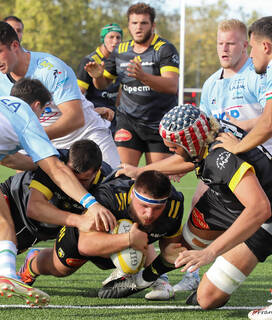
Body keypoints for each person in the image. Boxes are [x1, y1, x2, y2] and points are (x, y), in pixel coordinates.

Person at [0, 78, 116, 306]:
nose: (42, 117)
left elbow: (10, 159)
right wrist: (91, 204)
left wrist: (40, 163)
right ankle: (8, 277)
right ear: (37, 105)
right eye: (45, 110)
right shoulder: (26, 116)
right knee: (1, 222)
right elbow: (56, 168)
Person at [114, 104, 272, 309]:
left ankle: (221, 273)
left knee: (207, 299)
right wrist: (140, 170)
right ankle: (144, 279)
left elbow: (260, 208)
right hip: (227, 198)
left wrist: (211, 252)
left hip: (263, 217)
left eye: (174, 146)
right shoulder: (209, 134)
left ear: (190, 142)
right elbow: (191, 159)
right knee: (183, 246)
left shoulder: (219, 157)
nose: (170, 151)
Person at [173, 18, 268, 294]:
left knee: (255, 210)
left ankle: (232, 249)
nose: (224, 49)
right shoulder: (212, 83)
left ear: (245, 46)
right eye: (220, 43)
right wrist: (188, 159)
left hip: (259, 164)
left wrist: (237, 134)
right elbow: (205, 130)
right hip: (224, 162)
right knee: (197, 201)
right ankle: (192, 272)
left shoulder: (259, 74)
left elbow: (267, 120)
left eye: (231, 44)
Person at [0, 139, 112, 283]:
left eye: (83, 180)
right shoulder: (56, 162)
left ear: (97, 171)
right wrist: (79, 220)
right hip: (15, 197)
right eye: (71, 176)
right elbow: (35, 208)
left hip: (29, 228)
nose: (75, 184)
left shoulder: (108, 181)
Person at [17, 170, 185, 301]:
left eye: (157, 208)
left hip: (135, 240)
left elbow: (169, 245)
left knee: (146, 234)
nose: (149, 213)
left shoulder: (174, 205)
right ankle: (33, 263)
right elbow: (85, 244)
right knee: (61, 268)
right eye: (144, 206)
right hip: (90, 234)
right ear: (133, 194)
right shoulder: (109, 195)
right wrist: (128, 240)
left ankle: (145, 277)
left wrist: (158, 274)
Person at [0, 21, 120, 168]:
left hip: (87, 136)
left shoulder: (50, 68)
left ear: (15, 46)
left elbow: (76, 118)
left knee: (113, 185)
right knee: (22, 183)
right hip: (47, 145)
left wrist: (31, 137)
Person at [85, 2, 179, 166]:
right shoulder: (121, 50)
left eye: (144, 23)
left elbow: (171, 86)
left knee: (155, 180)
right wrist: (97, 77)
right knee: (123, 175)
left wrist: (143, 76)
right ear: (128, 25)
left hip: (158, 124)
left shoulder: (164, 49)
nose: (138, 27)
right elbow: (102, 84)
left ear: (153, 25)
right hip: (128, 122)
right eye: (134, 23)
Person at [215, 16, 272, 155]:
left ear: (265, 47)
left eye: (253, 47)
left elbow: (269, 123)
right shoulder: (210, 83)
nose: (251, 54)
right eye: (220, 43)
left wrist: (236, 147)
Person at [77, 23, 123, 135]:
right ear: (103, 39)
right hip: (95, 117)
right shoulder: (89, 61)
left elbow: (120, 92)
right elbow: (78, 95)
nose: (115, 41)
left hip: (114, 118)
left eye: (118, 37)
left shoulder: (120, 59)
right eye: (111, 37)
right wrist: (92, 112)